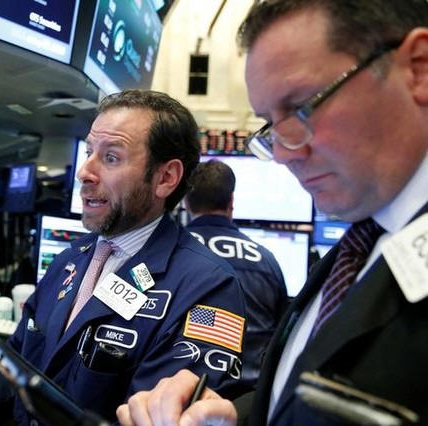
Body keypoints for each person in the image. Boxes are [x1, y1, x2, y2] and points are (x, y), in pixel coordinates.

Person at [0, 90, 250, 424]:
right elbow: (20, 364)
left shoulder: (207, 288)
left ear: (165, 178)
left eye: (111, 157)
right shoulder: (71, 260)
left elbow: (153, 418)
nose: (85, 172)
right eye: (90, 152)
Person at [116, 1, 428, 425]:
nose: (282, 153)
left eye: (302, 107)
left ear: (417, 68)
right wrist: (234, 417)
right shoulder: (360, 244)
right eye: (269, 124)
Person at [184, 160, 288, 392]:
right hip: (251, 396)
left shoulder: (167, 252)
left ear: (186, 202)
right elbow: (283, 333)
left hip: (184, 394)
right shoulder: (266, 260)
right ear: (231, 201)